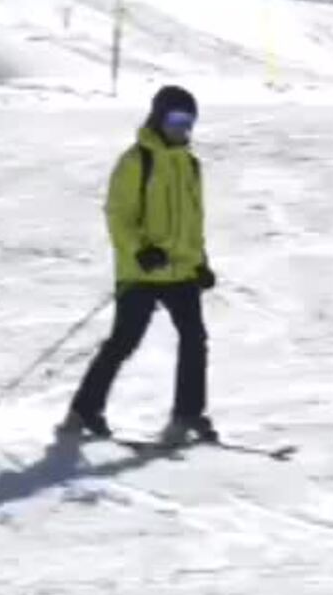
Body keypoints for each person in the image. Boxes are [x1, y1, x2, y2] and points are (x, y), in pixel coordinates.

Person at [61, 84, 217, 448]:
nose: (183, 128)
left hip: (180, 271)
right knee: (124, 342)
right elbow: (118, 215)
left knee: (195, 339)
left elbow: (193, 221)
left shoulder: (191, 166)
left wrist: (201, 263)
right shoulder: (136, 161)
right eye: (176, 120)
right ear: (159, 117)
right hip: (143, 271)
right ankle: (84, 410)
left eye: (189, 122)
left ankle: (187, 414)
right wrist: (140, 251)